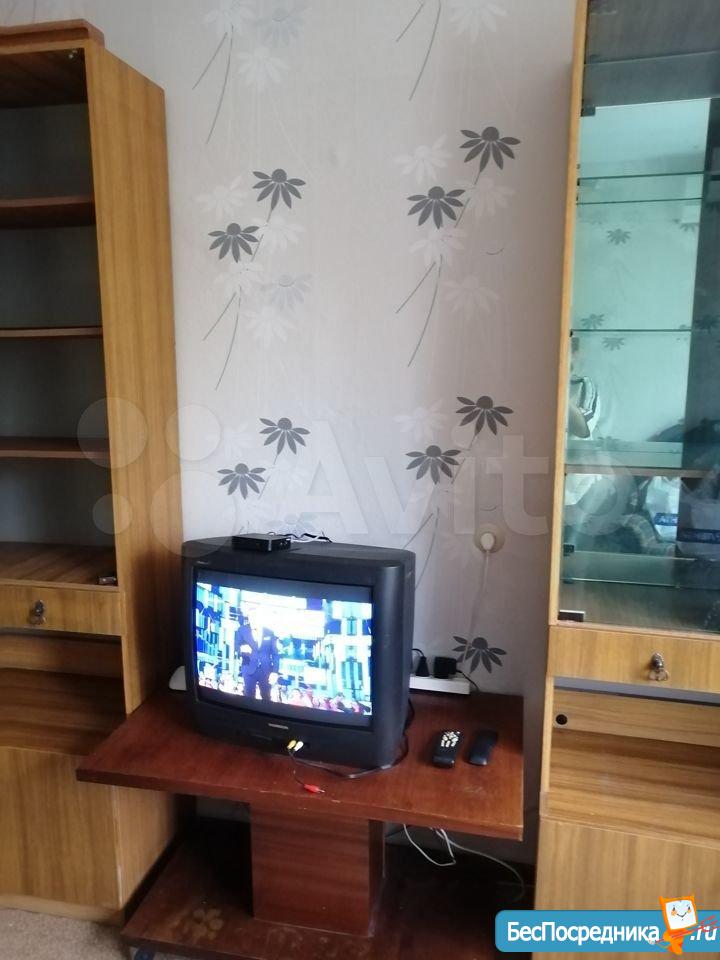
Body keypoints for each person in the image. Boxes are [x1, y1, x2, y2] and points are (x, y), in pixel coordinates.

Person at [236, 606, 279, 700]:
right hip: (248, 668)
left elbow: (275, 654)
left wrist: (275, 672)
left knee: (266, 697)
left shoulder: (269, 632)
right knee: (248, 697)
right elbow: (236, 646)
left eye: (255, 616)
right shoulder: (242, 630)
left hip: (266, 670)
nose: (252, 619)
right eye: (250, 616)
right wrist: (241, 648)